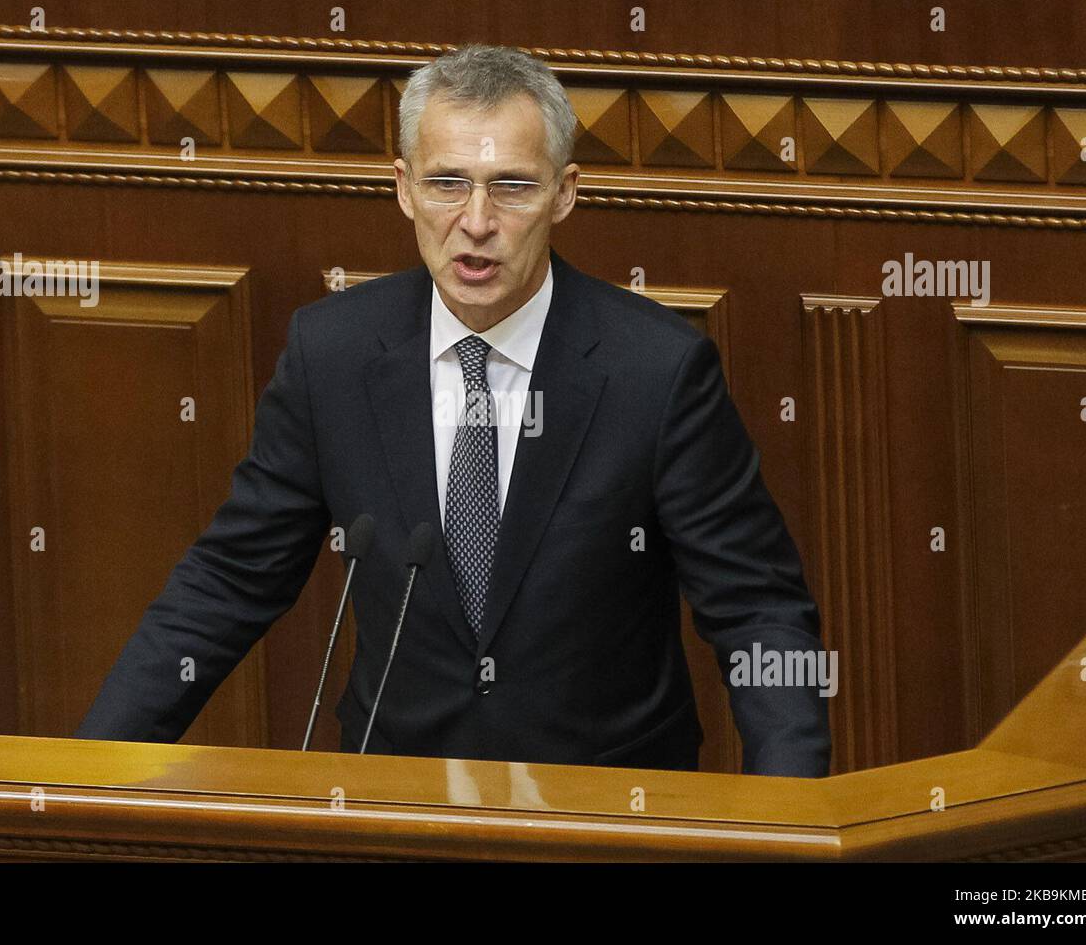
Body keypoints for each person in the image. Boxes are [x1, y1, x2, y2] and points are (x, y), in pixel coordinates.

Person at [75, 43, 831, 776]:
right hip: (394, 800)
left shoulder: (657, 371)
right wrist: (88, 772)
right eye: (447, 184)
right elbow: (231, 580)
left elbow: (757, 610)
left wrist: (790, 814)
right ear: (402, 186)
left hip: (604, 805)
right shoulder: (331, 353)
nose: (476, 220)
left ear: (565, 193)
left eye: (511, 186)